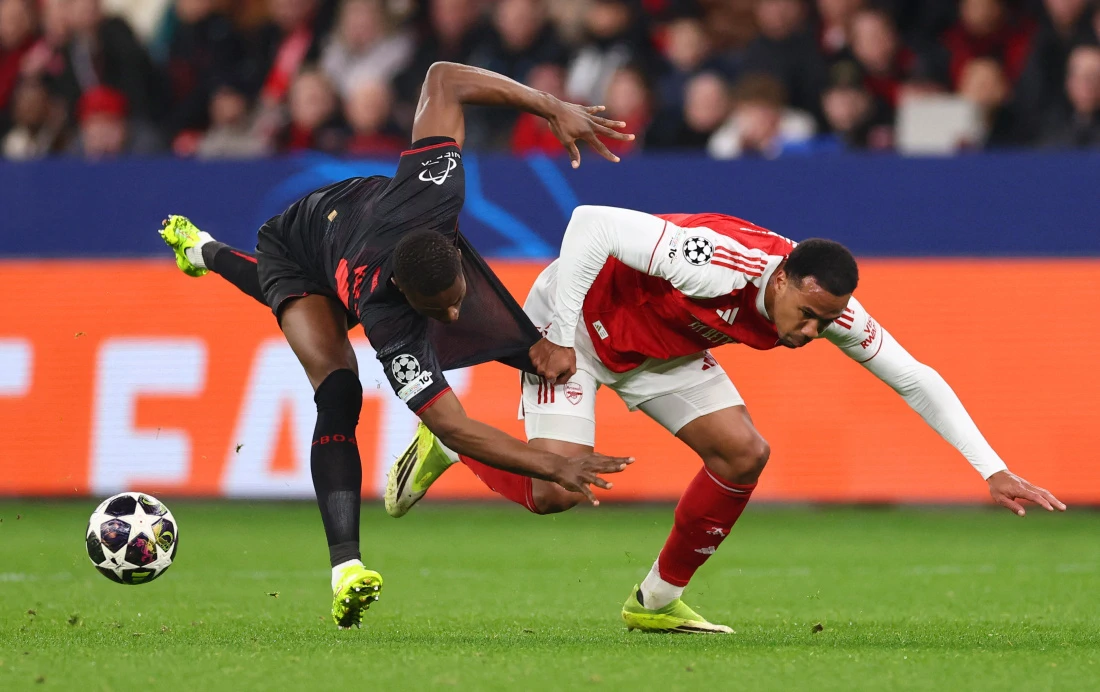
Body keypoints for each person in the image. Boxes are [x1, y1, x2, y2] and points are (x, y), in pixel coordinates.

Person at [386, 204, 1067, 634]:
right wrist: (560, 334)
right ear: (779, 281)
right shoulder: (716, 262)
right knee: (554, 492)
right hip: (576, 332)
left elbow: (915, 379)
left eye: (823, 322)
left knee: (743, 453)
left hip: (660, 355)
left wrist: (994, 469)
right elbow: (588, 223)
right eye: (805, 315)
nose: (809, 333)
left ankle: (654, 603)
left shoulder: (829, 314)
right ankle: (453, 445)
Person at [157, 61, 635, 629]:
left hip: (373, 210)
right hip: (300, 246)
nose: (455, 316)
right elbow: (453, 424)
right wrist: (553, 467)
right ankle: (346, 568)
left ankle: (205, 251)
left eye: (456, 299)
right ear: (407, 300)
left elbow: (441, 78)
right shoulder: (388, 318)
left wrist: (550, 105)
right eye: (440, 312)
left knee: (529, 348)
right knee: (338, 392)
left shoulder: (437, 192)